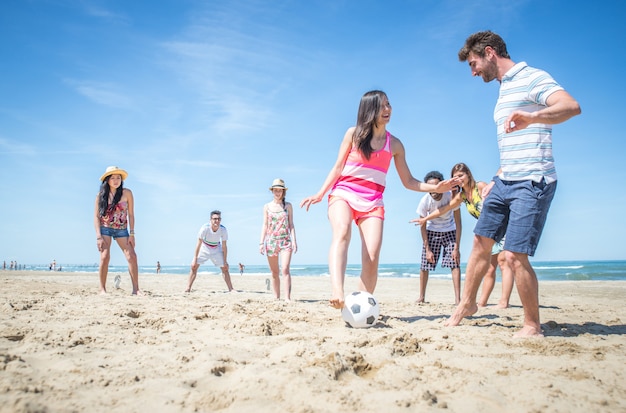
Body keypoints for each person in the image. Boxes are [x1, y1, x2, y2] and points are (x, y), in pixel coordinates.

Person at [446, 31, 581, 337]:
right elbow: (512, 145)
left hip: (533, 181)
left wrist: (534, 118)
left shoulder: (532, 77)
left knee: (513, 256)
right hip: (505, 180)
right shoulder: (503, 89)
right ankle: (467, 304)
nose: (473, 71)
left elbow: (571, 106)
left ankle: (532, 324)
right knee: (481, 243)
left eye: (473, 63)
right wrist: (497, 176)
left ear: (490, 53)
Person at [300, 90, 461, 309]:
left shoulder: (394, 145)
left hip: (373, 201)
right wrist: (320, 193)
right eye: (382, 106)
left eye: (389, 104)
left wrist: (435, 186)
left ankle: (360, 305)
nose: (388, 109)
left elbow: (409, 181)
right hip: (344, 193)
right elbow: (338, 167)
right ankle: (337, 291)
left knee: (372, 255)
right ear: (370, 110)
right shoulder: (353, 134)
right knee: (343, 231)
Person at [414, 162, 514, 308]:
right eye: (455, 177)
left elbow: (498, 203)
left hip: (502, 225)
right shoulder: (461, 196)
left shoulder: (480, 186)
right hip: (489, 230)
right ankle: (482, 302)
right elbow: (444, 209)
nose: (459, 179)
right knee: (490, 267)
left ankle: (504, 302)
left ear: (468, 174)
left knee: (505, 262)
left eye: (461, 175)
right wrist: (425, 219)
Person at [411, 171, 462, 305]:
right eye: (430, 187)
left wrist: (457, 247)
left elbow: (458, 222)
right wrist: (427, 249)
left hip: (449, 231)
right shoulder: (425, 201)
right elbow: (422, 225)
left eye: (435, 186)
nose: (433, 190)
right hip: (432, 232)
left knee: (455, 263)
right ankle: (421, 297)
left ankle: (458, 299)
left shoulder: (450, 196)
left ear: (441, 184)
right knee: (424, 266)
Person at [94, 166, 140, 295]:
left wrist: (132, 233)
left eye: (118, 178)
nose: (116, 180)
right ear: (107, 180)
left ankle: (136, 290)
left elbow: (131, 214)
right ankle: (102, 289)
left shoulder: (127, 193)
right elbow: (96, 217)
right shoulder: (100, 196)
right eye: (113, 178)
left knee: (132, 256)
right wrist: (98, 236)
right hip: (105, 229)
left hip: (122, 229)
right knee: (104, 256)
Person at [260, 178, 298, 301]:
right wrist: (261, 243)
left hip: (286, 241)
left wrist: (294, 241)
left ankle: (287, 298)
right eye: (275, 190)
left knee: (285, 269)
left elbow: (291, 224)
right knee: (274, 273)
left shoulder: (288, 206)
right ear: (272, 191)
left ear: (283, 192)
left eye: (280, 190)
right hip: (271, 242)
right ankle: (276, 297)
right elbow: (265, 225)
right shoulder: (266, 207)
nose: (277, 193)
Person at [185, 210, 235, 293]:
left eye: (219, 219)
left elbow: (224, 246)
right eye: (215, 219)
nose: (217, 221)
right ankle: (188, 288)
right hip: (204, 247)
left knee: (225, 268)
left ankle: (231, 289)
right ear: (210, 220)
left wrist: (225, 261)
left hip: (216, 247)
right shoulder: (205, 228)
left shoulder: (223, 229)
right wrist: (195, 258)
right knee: (194, 267)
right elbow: (199, 243)